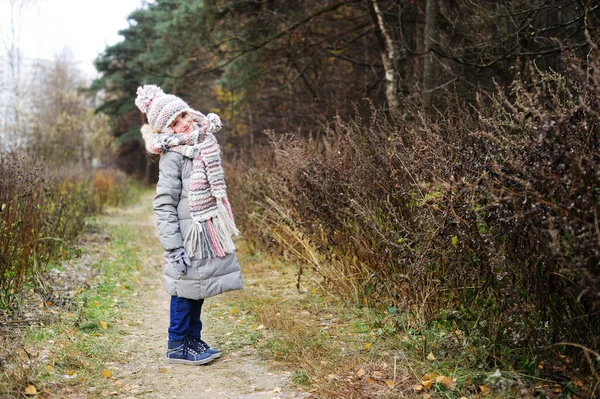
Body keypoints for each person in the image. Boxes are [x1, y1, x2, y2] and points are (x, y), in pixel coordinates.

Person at [134, 84, 243, 366]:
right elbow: (164, 204)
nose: (183, 125)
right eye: (174, 123)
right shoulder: (172, 156)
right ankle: (177, 343)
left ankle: (193, 339)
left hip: (202, 230)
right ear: (164, 131)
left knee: (198, 287)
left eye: (182, 116)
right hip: (186, 236)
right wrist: (173, 248)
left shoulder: (203, 145)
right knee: (184, 289)